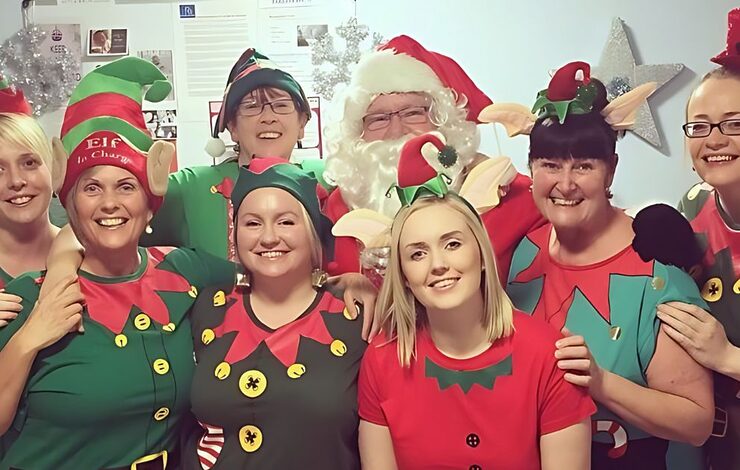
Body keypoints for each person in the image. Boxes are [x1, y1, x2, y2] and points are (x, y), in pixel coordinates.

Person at [0, 57, 234, 470]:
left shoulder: (185, 270)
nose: (110, 203)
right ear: (70, 204)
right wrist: (32, 333)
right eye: (91, 188)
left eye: (126, 186)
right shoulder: (24, 298)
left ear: (150, 206)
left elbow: (272, 278)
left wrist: (342, 282)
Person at [489, 61, 714, 468]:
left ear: (610, 170)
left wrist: (601, 383)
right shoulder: (523, 252)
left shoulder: (655, 271)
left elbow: (696, 422)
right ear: (531, 169)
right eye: (551, 165)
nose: (566, 183)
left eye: (584, 166)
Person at [357, 134, 594, 470]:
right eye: (418, 253)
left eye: (452, 244)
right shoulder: (382, 360)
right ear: (404, 274)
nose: (438, 264)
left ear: (482, 255)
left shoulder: (548, 356)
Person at [182, 159, 366, 469]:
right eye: (253, 223)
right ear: (235, 235)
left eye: (285, 222)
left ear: (311, 232)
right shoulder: (206, 308)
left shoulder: (355, 319)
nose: (268, 237)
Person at [323, 35, 545, 279]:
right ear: (358, 133)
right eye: (378, 118)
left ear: (444, 121)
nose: (397, 131)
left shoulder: (508, 195)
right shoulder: (338, 208)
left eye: (413, 113)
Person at [657, 8, 740, 469]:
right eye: (700, 126)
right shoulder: (691, 206)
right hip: (712, 440)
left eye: (734, 123)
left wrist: (729, 357)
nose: (714, 139)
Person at [143, 48, 311, 262]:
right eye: (252, 107)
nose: (268, 117)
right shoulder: (189, 187)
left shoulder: (329, 180)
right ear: (232, 127)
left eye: (281, 106)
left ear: (302, 123)